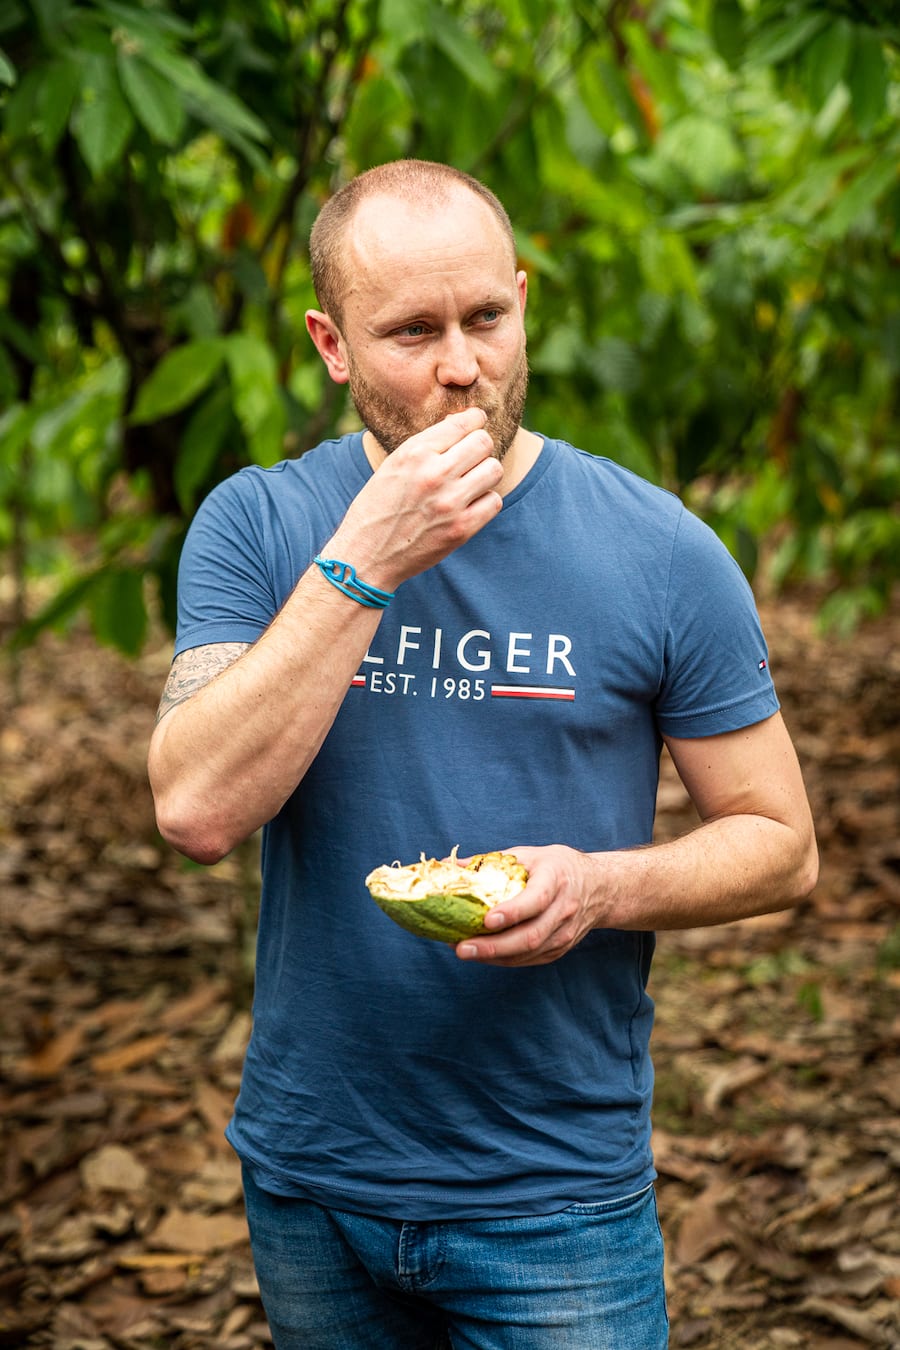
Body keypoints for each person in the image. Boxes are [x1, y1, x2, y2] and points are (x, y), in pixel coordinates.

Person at [148, 158, 818, 1349]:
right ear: (331, 345)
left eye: (485, 319)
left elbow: (781, 846)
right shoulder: (259, 524)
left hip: (553, 1193)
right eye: (411, 331)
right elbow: (198, 808)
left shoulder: (658, 548)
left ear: (522, 301)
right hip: (314, 1175)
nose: (462, 365)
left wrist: (603, 886)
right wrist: (367, 560)